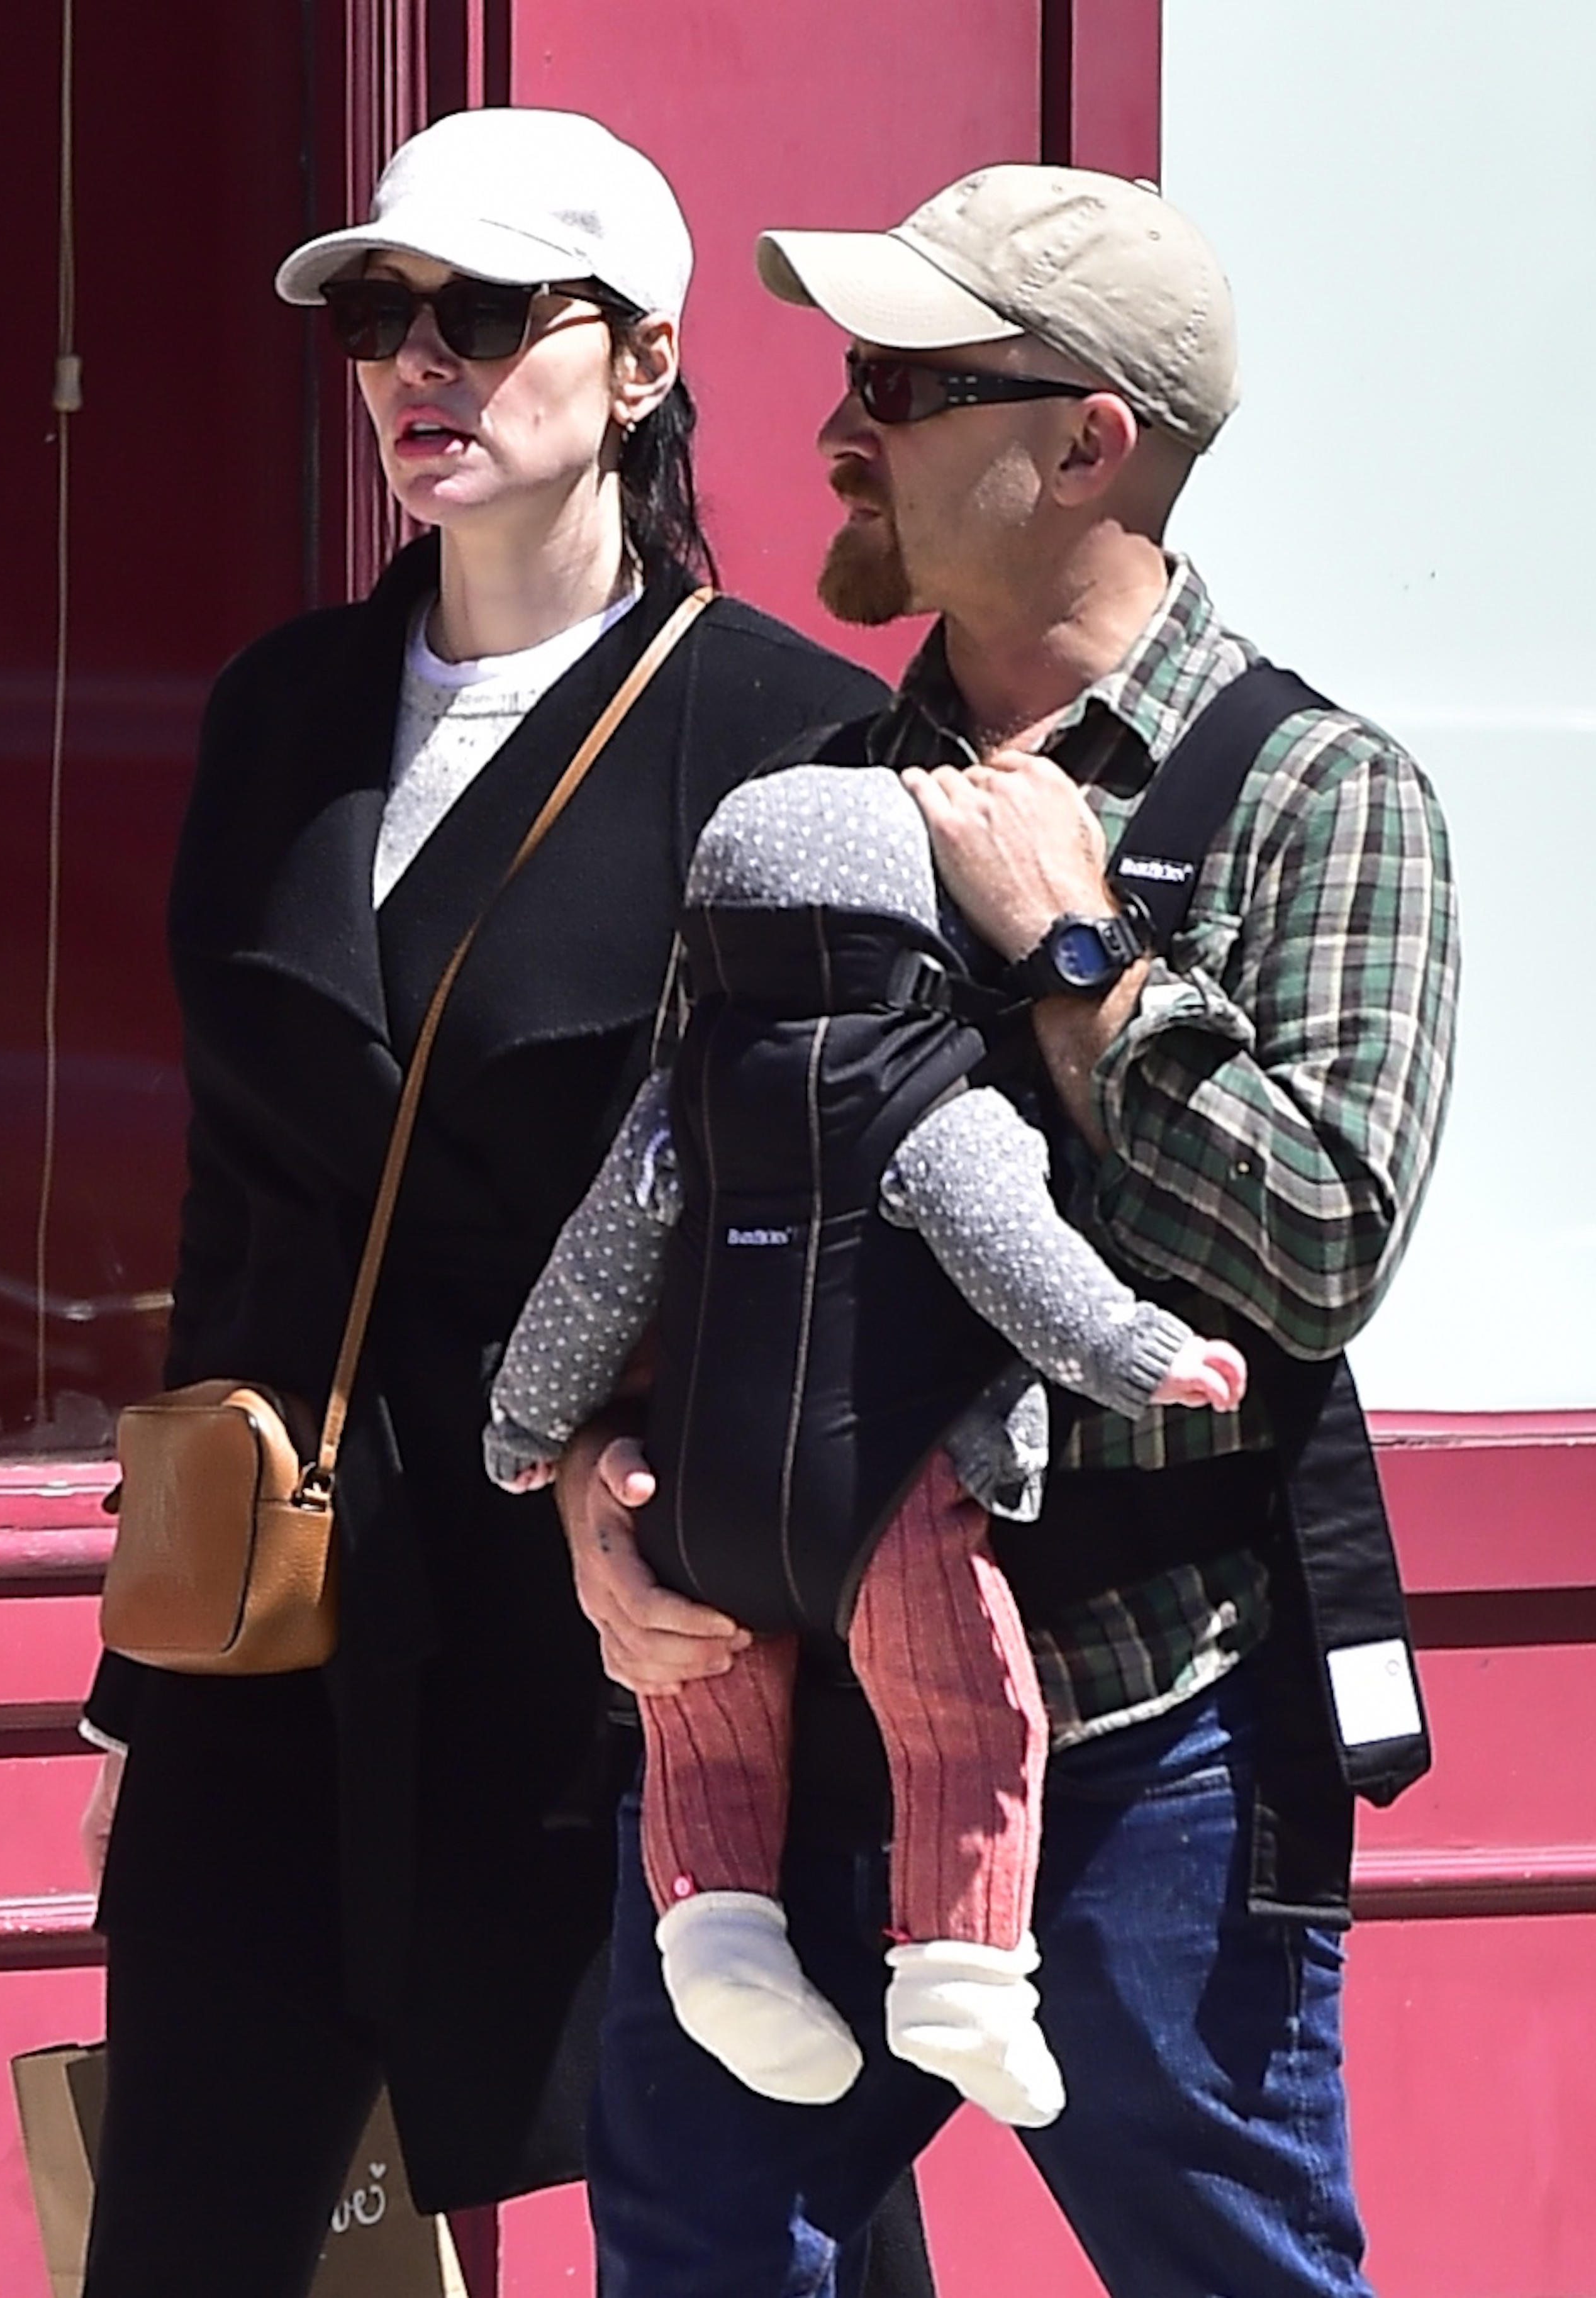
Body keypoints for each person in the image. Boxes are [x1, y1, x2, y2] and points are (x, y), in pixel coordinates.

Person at [564, 165, 1460, 2296]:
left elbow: (1321, 1247)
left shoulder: (1321, 796)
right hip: (781, 1740)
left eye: (904, 380)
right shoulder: (799, 798)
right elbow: (656, 1211)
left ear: (1089, 444)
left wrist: (1078, 960)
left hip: (1157, 1731)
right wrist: (593, 1499)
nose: (833, 429)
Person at [71, 106, 903, 2298]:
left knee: (745, 2233)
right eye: (377, 313)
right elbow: (231, 1200)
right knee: (188, 2226)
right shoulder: (286, 709)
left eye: (481, 313)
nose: (414, 363)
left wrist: (719, 1552)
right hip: (289, 1608)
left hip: (626, 1626)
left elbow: (845, 1237)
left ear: (638, 360)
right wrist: (139, 1682)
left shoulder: (787, 734)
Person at [483, 759, 1246, 2128]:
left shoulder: (682, 1102)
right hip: (883, 1504)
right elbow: (1033, 1270)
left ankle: (716, 1939)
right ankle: (959, 1970)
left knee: (704, 1726)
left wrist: (527, 1424)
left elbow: (585, 1283)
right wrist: (1147, 1355)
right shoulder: (938, 1109)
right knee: (963, 1714)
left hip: (697, 1497)